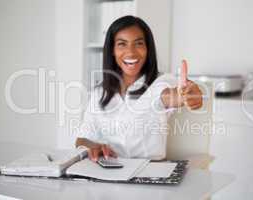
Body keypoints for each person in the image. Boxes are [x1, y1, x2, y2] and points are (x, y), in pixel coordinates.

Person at [76, 15, 202, 161]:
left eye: (139, 43)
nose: (131, 52)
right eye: (122, 44)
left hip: (149, 173)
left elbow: (169, 95)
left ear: (148, 49)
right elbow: (82, 139)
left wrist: (188, 95)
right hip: (110, 172)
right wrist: (93, 147)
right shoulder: (100, 92)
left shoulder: (161, 81)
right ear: (112, 50)